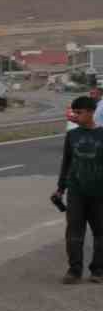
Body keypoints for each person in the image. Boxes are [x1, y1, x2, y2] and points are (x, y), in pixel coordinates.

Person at [58, 95, 103, 284]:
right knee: (74, 232)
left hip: (99, 192)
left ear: (91, 112)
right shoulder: (72, 135)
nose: (75, 116)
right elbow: (66, 163)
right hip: (76, 191)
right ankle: (74, 270)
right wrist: (60, 188)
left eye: (79, 112)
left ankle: (98, 271)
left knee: (100, 232)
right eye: (74, 112)